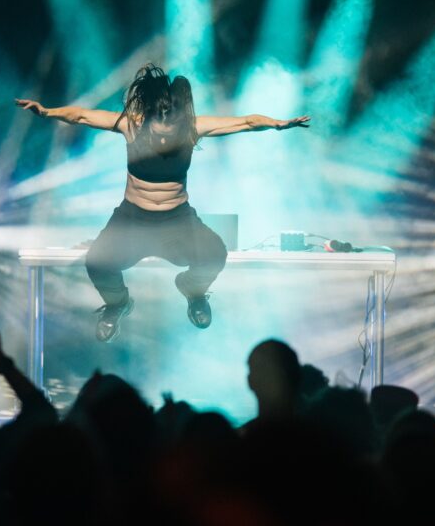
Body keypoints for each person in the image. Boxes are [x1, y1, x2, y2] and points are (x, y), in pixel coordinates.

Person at [16, 64, 310, 341]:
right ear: (151, 113)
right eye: (159, 120)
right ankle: (118, 303)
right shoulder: (132, 125)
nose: (164, 127)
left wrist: (277, 124)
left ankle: (192, 290)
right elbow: (82, 116)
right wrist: (47, 112)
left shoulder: (192, 128)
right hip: (132, 218)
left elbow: (245, 122)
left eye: (170, 120)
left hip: (177, 219)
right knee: (97, 262)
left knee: (215, 254)